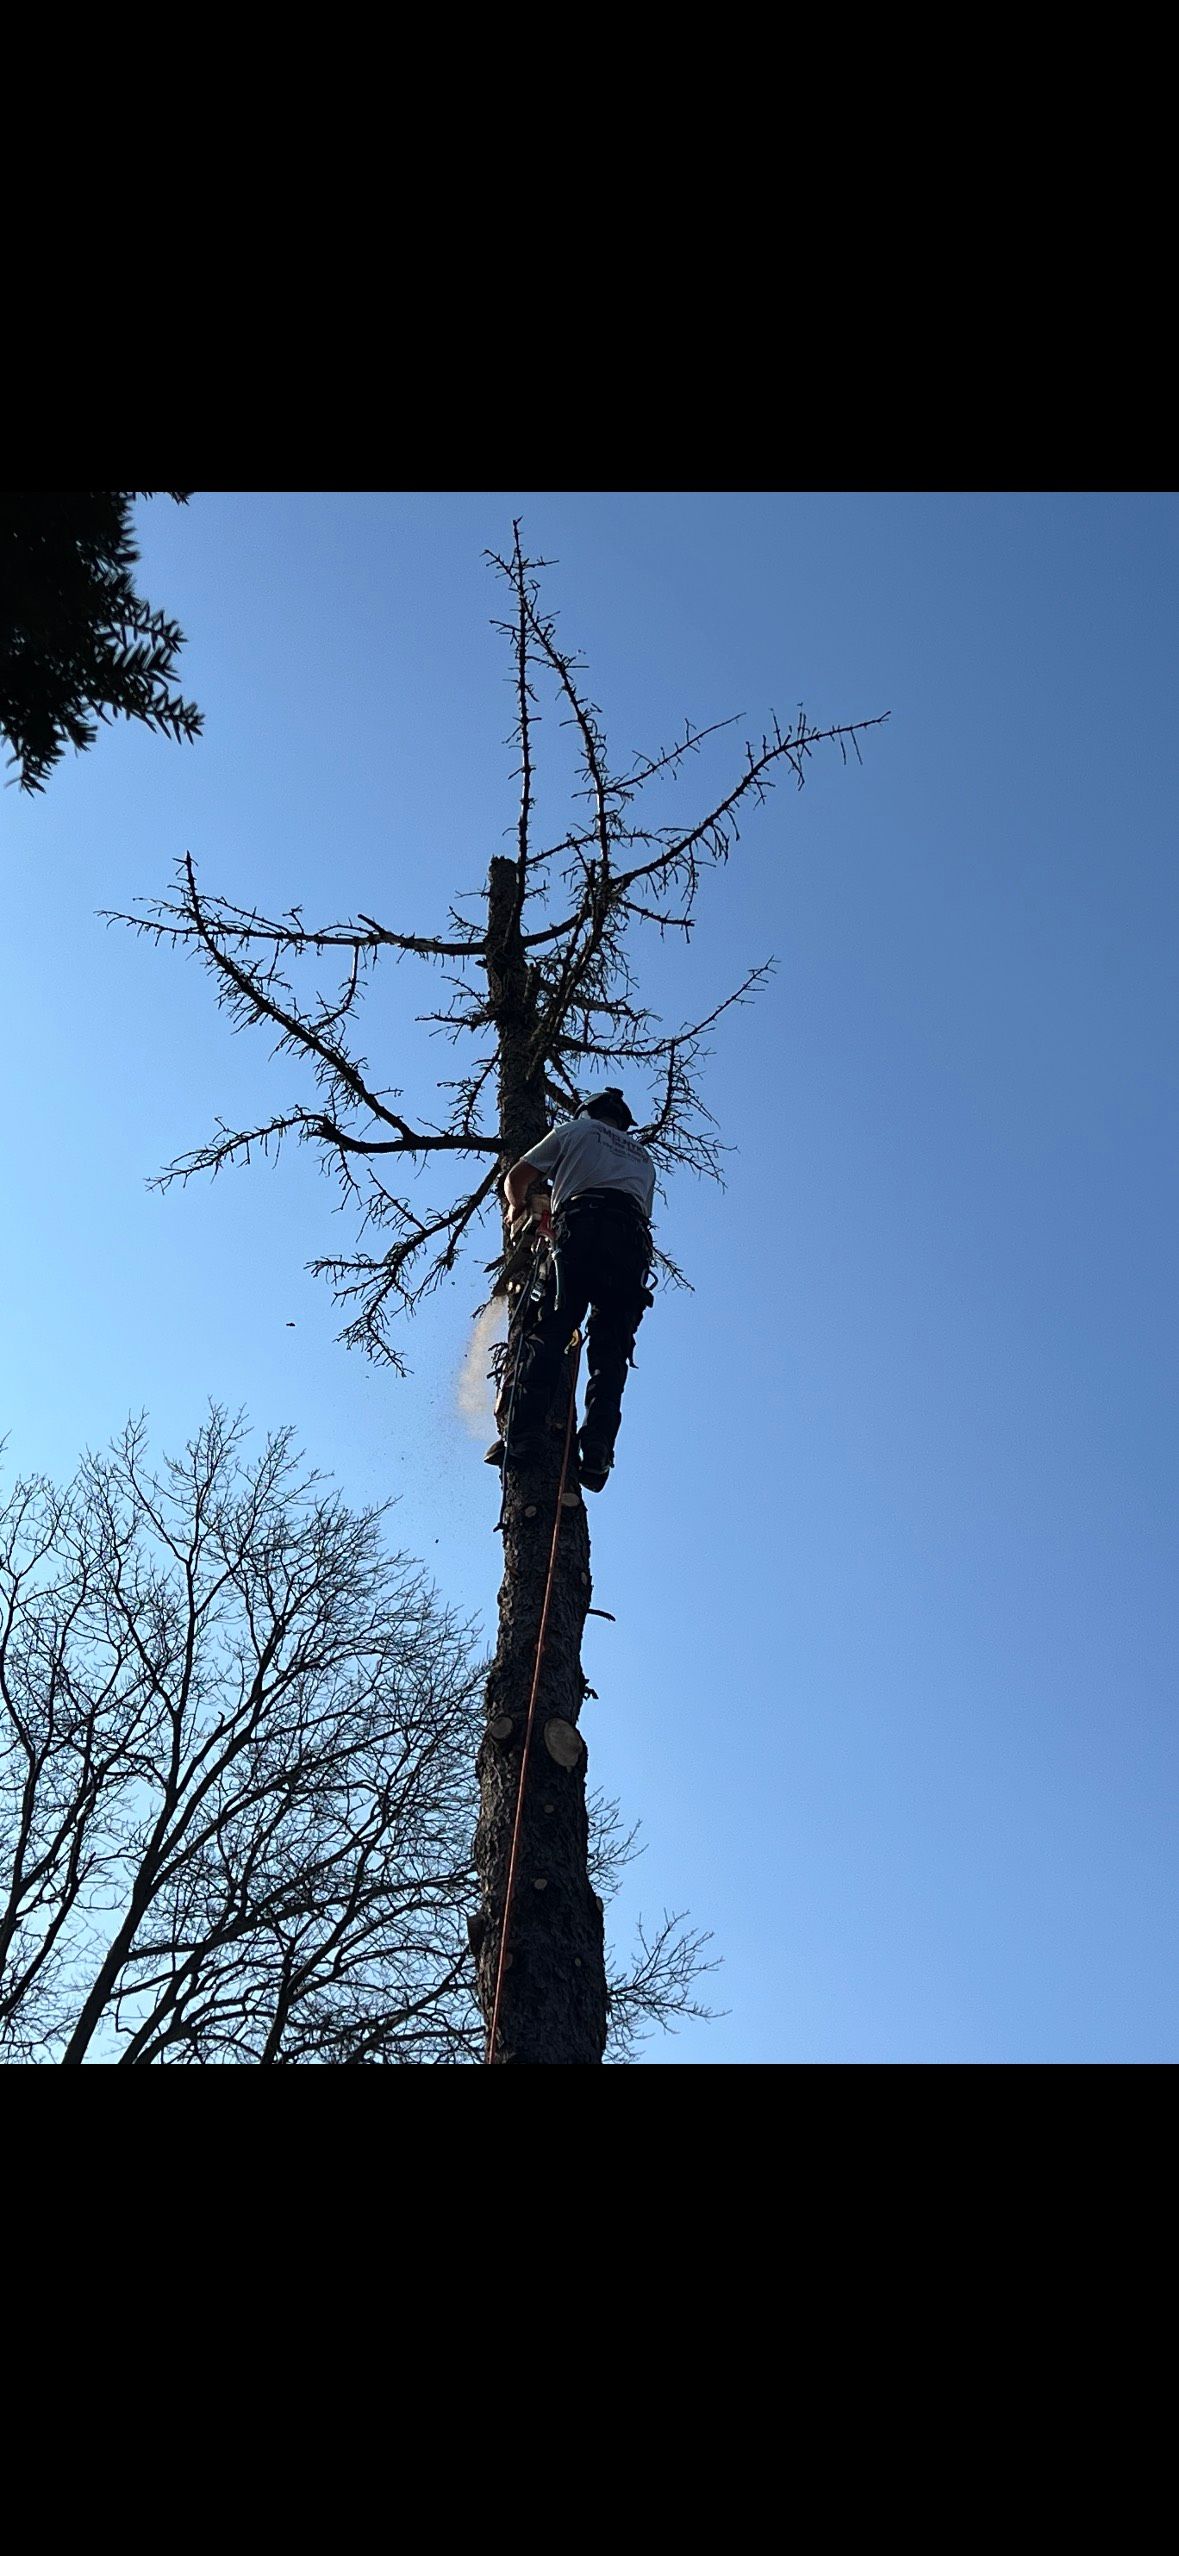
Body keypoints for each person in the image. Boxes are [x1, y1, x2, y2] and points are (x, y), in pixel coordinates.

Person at [491, 1090, 655, 1493]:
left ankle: (524, 1432)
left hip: (582, 1227)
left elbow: (517, 1178)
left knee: (552, 1327)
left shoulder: (575, 1130)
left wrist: (519, 1208)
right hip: (631, 1245)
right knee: (610, 1352)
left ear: (588, 1111)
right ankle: (598, 1448)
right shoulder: (642, 1158)